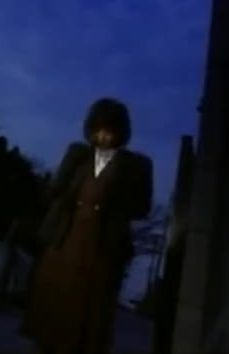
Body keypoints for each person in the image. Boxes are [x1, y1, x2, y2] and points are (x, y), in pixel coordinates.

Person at [21, 97, 153, 354]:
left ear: (120, 132)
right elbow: (55, 190)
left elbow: (141, 208)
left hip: (102, 247)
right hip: (66, 239)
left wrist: (117, 190)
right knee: (53, 302)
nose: (102, 136)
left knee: (89, 312)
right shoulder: (78, 155)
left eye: (109, 130)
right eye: (97, 130)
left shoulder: (134, 165)